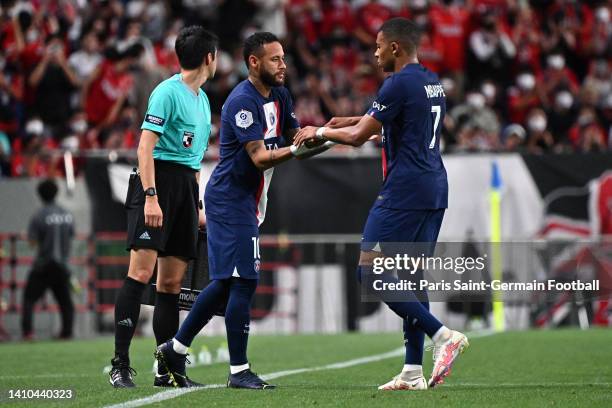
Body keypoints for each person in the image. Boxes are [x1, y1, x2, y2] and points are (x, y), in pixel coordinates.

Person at [293, 17, 469, 390]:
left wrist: (320, 130)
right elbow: (394, 119)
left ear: (394, 48)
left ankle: (443, 336)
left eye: (377, 46)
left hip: (403, 191)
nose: (373, 54)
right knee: (409, 276)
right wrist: (357, 117)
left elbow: (358, 138)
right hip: (434, 187)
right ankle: (412, 372)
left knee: (369, 273)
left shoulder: (397, 82)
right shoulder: (430, 80)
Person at [155, 32, 330, 390]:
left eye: (283, 58)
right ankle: (238, 370)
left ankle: (174, 349)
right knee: (244, 281)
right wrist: (317, 142)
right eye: (275, 59)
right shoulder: (241, 101)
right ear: (254, 62)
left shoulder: (280, 94)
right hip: (230, 198)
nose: (283, 65)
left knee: (223, 284)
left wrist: (331, 134)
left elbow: (299, 138)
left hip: (247, 198)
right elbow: (262, 156)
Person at [108, 25, 218, 388]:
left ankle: (166, 368)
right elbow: (144, 147)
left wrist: (196, 203)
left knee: (170, 284)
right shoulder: (166, 92)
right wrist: (152, 197)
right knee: (140, 274)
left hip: (185, 187)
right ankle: (120, 365)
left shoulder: (202, 99)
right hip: (156, 184)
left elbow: (194, 157)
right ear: (209, 58)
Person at [22, 179, 75, 340]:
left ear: (40, 195)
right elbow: (71, 235)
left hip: (43, 265)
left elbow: (32, 242)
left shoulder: (39, 215)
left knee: (29, 299)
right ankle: (66, 333)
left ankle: (28, 333)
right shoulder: (67, 214)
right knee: (65, 302)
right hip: (62, 266)